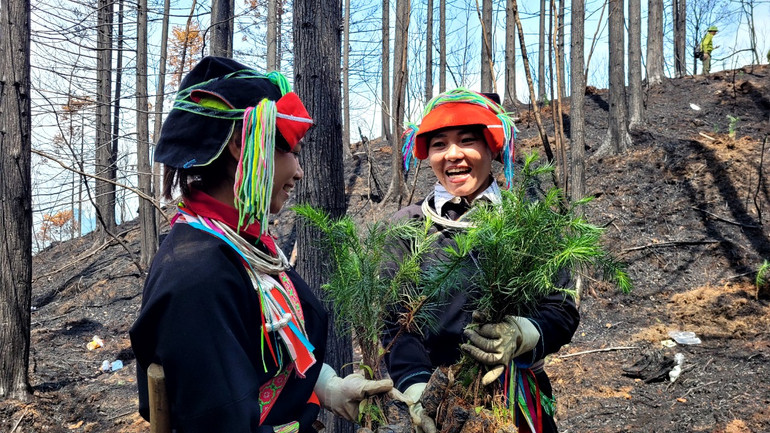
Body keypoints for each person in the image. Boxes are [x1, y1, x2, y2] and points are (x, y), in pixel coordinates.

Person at [129, 56, 392, 433]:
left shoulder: (242, 245)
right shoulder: (197, 276)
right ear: (242, 145)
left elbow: (269, 355)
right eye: (291, 151)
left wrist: (329, 387)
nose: (299, 172)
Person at [382, 88, 580, 433]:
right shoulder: (408, 227)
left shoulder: (528, 222)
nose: (452, 155)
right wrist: (418, 390)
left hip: (517, 403)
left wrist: (523, 334)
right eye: (439, 144)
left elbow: (560, 308)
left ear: (492, 147)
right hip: (436, 406)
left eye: (467, 140)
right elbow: (394, 322)